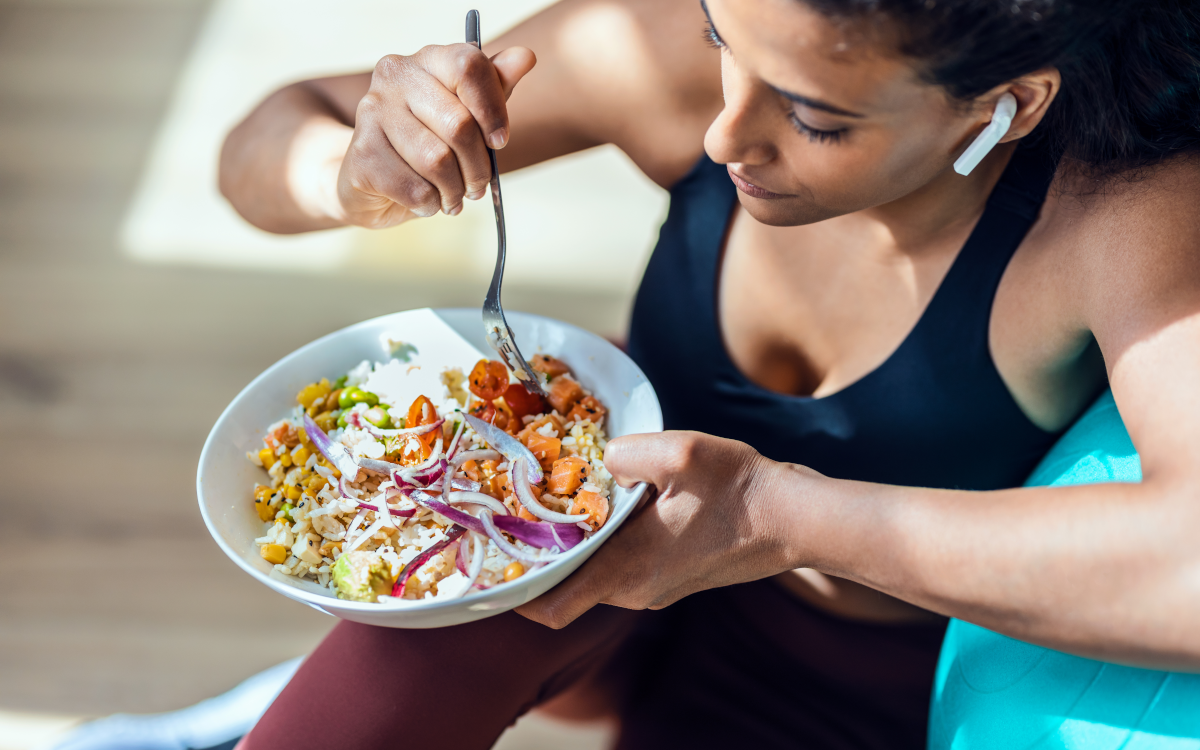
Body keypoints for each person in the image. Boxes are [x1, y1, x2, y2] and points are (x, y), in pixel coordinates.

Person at [216, 0, 1200, 747]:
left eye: (816, 118)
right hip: (596, 598)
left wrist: (774, 517)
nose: (725, 133)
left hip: (880, 691)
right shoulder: (673, 57)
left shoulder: (1114, 211)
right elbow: (257, 142)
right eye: (720, 36)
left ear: (1007, 105)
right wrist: (356, 166)